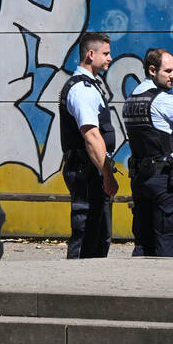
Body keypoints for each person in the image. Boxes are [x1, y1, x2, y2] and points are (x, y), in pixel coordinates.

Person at [123, 48, 173, 257]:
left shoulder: (130, 100)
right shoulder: (163, 99)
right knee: (169, 240)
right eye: (168, 71)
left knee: (144, 241)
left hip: (141, 178)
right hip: (165, 180)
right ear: (151, 70)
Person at [58, 32, 119, 259]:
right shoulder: (81, 90)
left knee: (99, 234)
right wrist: (107, 174)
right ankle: (74, 288)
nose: (110, 58)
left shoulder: (91, 86)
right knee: (86, 234)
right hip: (87, 172)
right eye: (106, 53)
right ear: (90, 54)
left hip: (92, 171)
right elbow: (91, 135)